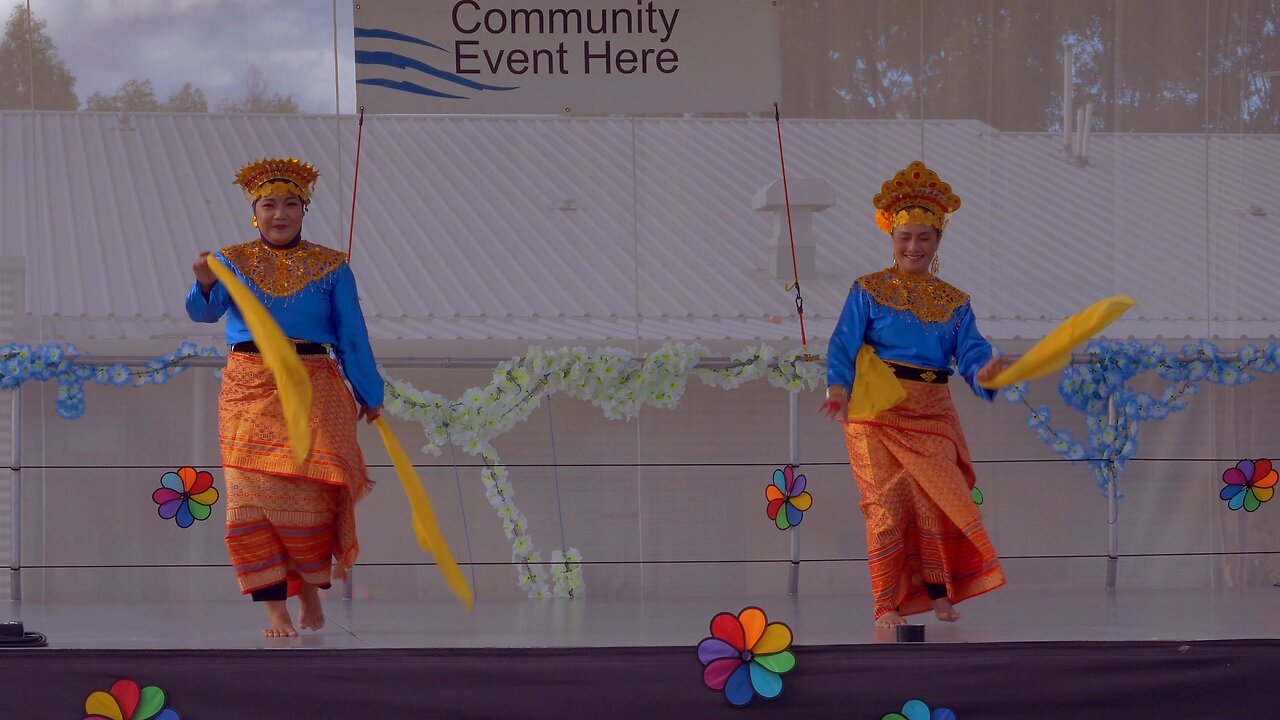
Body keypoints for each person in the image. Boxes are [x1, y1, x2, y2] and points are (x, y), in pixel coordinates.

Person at [186, 157, 383, 638]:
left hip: (316, 381)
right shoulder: (231, 260)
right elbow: (204, 314)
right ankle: (273, 609)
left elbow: (351, 333)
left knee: (312, 494)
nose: (280, 213)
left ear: (304, 209)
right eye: (269, 204)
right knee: (250, 501)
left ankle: (310, 593)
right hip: (249, 386)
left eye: (290, 204)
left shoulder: (332, 265)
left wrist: (368, 389)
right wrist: (206, 282)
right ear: (255, 212)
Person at [821, 161, 1009, 629]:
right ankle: (886, 603)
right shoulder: (868, 290)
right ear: (892, 238)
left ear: (938, 241)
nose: (913, 247)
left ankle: (938, 594)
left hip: (932, 412)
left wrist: (985, 370)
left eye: (923, 237)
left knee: (936, 500)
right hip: (876, 411)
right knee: (884, 509)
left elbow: (971, 352)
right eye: (905, 237)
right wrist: (837, 388)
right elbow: (843, 342)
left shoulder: (955, 302)